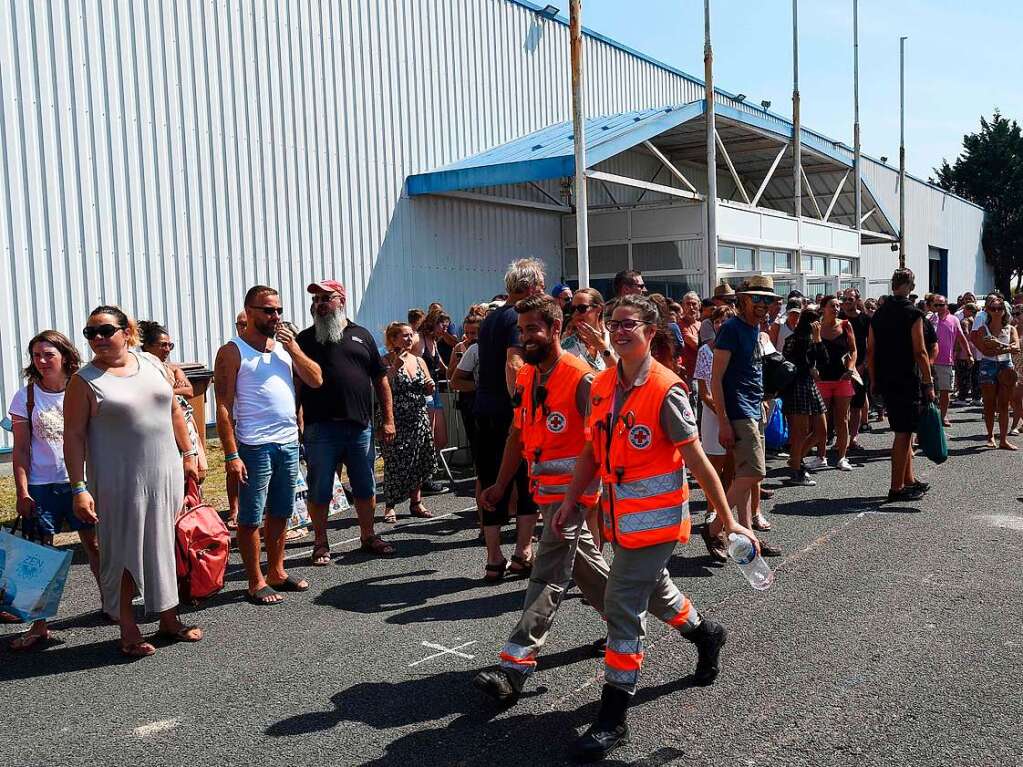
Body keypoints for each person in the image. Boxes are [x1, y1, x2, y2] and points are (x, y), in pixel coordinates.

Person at [551, 294, 759, 761]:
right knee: (658, 594)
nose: (620, 330)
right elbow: (590, 452)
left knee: (622, 606)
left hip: (659, 522)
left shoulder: (667, 389)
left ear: (649, 331)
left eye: (629, 324)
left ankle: (612, 718)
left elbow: (698, 462)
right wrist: (571, 502)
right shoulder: (602, 384)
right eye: (614, 324)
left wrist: (728, 521)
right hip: (621, 519)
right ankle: (707, 634)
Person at [64, 306, 202, 656]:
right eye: (90, 333)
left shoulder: (153, 365)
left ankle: (169, 618)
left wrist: (188, 456)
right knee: (122, 551)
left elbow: (173, 410)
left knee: (164, 546)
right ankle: (127, 627)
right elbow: (74, 437)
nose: (97, 339)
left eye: (105, 330)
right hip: (117, 479)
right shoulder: (84, 381)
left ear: (127, 332)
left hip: (165, 471)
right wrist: (78, 488)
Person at [214, 286, 322, 605]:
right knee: (250, 517)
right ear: (249, 312)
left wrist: (295, 350)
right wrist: (232, 454)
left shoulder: (286, 348)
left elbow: (316, 380)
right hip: (253, 445)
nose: (275, 317)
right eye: (268, 310)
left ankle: (276, 571)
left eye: (278, 311)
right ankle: (255, 580)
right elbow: (222, 406)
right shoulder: (232, 351)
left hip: (287, 442)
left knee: (281, 511)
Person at [7, 332, 102, 651]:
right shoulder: (26, 397)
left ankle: (112, 605)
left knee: (96, 546)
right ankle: (39, 625)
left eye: (48, 354)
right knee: (40, 557)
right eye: (36, 355)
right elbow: (20, 449)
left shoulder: (82, 388)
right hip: (42, 486)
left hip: (83, 484)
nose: (42, 361)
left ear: (65, 356)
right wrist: (23, 491)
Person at [295, 280, 396, 564]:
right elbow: (297, 384)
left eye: (326, 298)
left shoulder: (361, 335)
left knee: (365, 485)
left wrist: (388, 419)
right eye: (315, 299)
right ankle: (320, 543)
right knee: (320, 488)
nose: (319, 304)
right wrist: (296, 419)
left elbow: (380, 379)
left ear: (342, 301)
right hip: (319, 428)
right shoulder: (304, 340)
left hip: (359, 427)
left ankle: (368, 535)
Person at [473, 259, 545, 580]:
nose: (543, 291)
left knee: (491, 480)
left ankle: (493, 558)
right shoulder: (519, 318)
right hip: (508, 411)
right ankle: (522, 552)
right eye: (540, 286)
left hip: (483, 410)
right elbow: (514, 363)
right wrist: (523, 405)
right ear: (529, 288)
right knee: (525, 481)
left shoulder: (491, 318)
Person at [710, 276, 781, 555]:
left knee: (746, 473)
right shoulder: (731, 329)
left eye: (768, 300)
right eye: (757, 298)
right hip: (739, 411)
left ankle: (746, 533)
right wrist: (723, 421)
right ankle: (716, 528)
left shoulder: (755, 329)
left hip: (754, 407)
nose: (763, 304)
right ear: (742, 300)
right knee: (754, 472)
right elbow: (716, 379)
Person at [867, 268, 935, 502]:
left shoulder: (879, 313)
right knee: (903, 433)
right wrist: (929, 380)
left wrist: (874, 380)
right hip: (906, 378)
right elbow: (920, 350)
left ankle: (908, 479)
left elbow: (871, 350)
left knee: (904, 430)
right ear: (911, 286)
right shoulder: (913, 314)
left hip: (886, 378)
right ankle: (896, 487)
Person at [379, 322, 437, 523]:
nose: (409, 339)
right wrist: (394, 367)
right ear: (393, 339)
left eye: (411, 335)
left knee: (419, 460)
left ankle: (416, 502)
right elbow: (382, 386)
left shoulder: (419, 360)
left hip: (418, 417)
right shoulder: (385, 360)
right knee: (394, 462)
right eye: (404, 335)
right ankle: (390, 505)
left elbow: (428, 386)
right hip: (396, 418)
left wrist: (430, 386)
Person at [692, 306, 735, 561]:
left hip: (736, 414)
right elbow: (703, 390)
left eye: (728, 319)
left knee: (731, 468)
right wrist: (721, 413)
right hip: (713, 416)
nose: (723, 324)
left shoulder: (734, 350)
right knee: (714, 466)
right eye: (719, 320)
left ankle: (725, 518)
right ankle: (711, 513)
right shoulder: (705, 352)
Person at [139, 321, 208, 480]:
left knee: (194, 469)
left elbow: (189, 390)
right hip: (161, 425)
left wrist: (169, 390)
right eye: (163, 345)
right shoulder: (140, 368)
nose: (167, 350)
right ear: (147, 346)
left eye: (170, 345)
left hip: (183, 422)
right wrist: (174, 389)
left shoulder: (172, 368)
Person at [781, 308, 829, 487]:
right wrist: (809, 366)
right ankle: (796, 470)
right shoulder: (793, 340)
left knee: (821, 431)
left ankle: (796, 459)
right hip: (797, 386)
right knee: (799, 433)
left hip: (809, 385)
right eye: (818, 322)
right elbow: (791, 363)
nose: (820, 325)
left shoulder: (813, 339)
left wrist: (817, 340)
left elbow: (824, 360)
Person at [970, 294, 1020, 450]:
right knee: (989, 403)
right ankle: (990, 435)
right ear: (988, 310)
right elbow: (987, 352)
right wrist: (1006, 347)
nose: (997, 311)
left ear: (1004, 311)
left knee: (1004, 404)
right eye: (993, 308)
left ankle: (1003, 439)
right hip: (988, 365)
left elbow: (1016, 348)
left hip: (1006, 365)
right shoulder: (982, 329)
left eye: (1000, 308)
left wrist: (997, 345)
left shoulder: (1011, 328)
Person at [813, 296, 857, 472]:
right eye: (833, 305)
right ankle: (821, 456)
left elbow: (853, 350)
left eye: (838, 306)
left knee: (842, 419)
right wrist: (811, 370)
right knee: (822, 421)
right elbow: (808, 352)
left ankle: (842, 457)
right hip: (822, 379)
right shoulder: (816, 327)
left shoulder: (846, 325)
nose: (837, 308)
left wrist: (851, 368)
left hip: (842, 378)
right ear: (823, 308)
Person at [928, 295, 972, 426]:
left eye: (941, 305)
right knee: (930, 391)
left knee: (945, 391)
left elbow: (961, 337)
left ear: (946, 305)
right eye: (935, 305)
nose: (938, 308)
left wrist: (969, 354)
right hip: (930, 360)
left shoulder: (953, 320)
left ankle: (943, 415)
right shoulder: (929, 319)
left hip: (946, 360)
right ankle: (931, 417)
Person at [841, 289, 872, 452]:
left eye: (850, 299)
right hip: (841, 368)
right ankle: (841, 438)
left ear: (857, 300)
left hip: (860, 368)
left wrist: (864, 364)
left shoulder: (865, 319)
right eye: (844, 299)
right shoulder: (839, 318)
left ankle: (853, 438)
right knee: (840, 406)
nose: (847, 302)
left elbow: (871, 344)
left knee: (856, 405)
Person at [562, 287, 616, 371]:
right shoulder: (565, 346)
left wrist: (601, 346)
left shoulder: (615, 338)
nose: (576, 313)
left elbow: (623, 374)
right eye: (572, 309)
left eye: (582, 308)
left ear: (598, 309)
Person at [677, 291, 702, 383]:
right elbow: (696, 345)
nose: (691, 307)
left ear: (699, 306)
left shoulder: (701, 324)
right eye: (688, 304)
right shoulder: (680, 325)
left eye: (694, 304)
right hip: (689, 375)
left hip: (703, 374)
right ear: (683, 306)